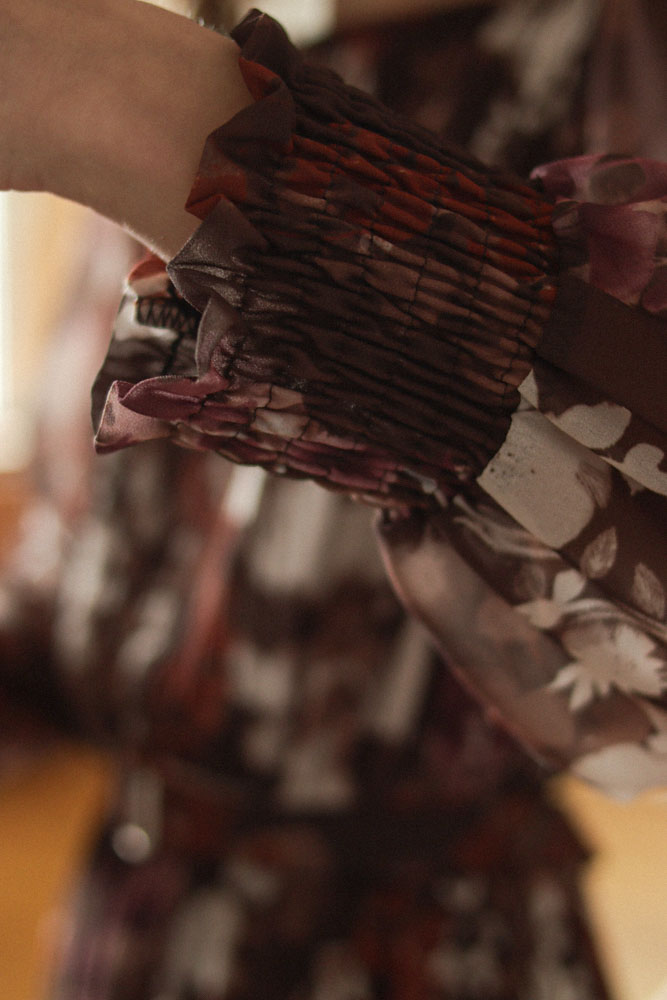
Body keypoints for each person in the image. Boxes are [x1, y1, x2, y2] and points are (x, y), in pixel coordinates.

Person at [2, 0, 666, 789]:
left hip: (412, 861)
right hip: (122, 844)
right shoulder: (170, 28)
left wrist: (141, 107)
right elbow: (93, 559)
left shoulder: (620, 56)